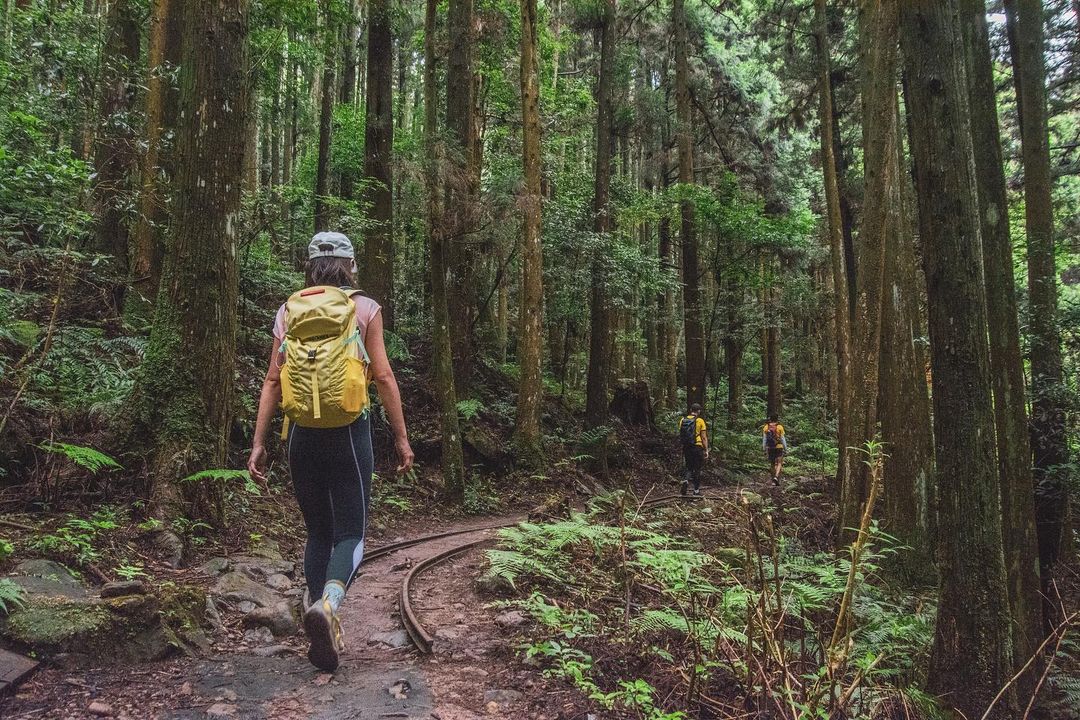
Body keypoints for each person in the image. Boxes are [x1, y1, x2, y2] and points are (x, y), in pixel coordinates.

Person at [248, 231, 414, 673]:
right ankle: (329, 605)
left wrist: (258, 443)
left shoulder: (289, 310)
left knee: (318, 533)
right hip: (348, 433)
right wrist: (401, 437)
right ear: (351, 265)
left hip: (300, 435)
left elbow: (271, 381)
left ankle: (318, 613)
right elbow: (382, 375)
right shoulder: (364, 308)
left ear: (309, 267)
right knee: (352, 534)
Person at [678, 403, 709, 496]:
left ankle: (685, 480)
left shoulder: (682, 420)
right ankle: (696, 491)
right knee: (697, 468)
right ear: (698, 411)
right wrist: (706, 450)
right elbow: (703, 437)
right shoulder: (700, 421)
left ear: (691, 409)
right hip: (697, 447)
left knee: (689, 467)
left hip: (687, 447)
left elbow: (682, 434)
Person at [761, 414, 787, 485]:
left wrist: (764, 448)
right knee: (779, 463)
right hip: (779, 447)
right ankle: (776, 477)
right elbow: (782, 438)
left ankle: (773, 481)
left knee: (772, 464)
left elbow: (764, 439)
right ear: (777, 419)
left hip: (770, 447)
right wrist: (785, 448)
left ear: (770, 419)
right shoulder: (780, 427)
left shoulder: (766, 427)